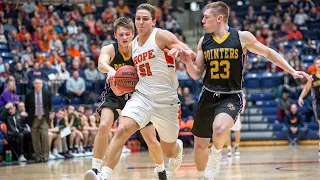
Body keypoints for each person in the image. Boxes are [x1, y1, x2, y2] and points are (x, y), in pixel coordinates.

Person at [174, 2, 311, 179]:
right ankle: (202, 176)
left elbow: (268, 53)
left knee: (220, 129)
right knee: (200, 145)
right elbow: (197, 74)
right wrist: (187, 63)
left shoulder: (241, 37)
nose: (202, 21)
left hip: (230, 96)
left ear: (219, 18)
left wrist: (291, 70)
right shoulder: (204, 41)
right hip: (208, 94)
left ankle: (216, 155)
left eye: (206, 17)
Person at [98, 4, 197, 180]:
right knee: (122, 130)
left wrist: (182, 52)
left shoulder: (161, 35)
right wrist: (116, 83)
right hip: (142, 96)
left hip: (167, 101)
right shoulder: (133, 45)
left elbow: (190, 52)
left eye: (145, 19)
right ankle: (103, 175)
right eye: (138, 19)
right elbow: (127, 76)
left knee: (169, 150)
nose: (141, 22)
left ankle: (177, 148)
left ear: (153, 21)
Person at [84, 17, 173, 180]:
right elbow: (101, 62)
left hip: (138, 96)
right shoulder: (110, 49)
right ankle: (96, 170)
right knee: (104, 126)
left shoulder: (141, 50)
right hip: (114, 94)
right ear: (115, 35)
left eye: (127, 34)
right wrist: (111, 70)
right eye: (121, 34)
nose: (124, 37)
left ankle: (160, 169)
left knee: (151, 141)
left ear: (133, 34)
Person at [25, 78, 52, 162]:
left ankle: (45, 155)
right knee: (35, 137)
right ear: (33, 85)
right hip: (34, 117)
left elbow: (49, 106)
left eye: (39, 83)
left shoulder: (46, 94)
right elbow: (27, 107)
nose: (37, 85)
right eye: (36, 83)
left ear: (42, 85)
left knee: (45, 135)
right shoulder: (29, 95)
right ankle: (38, 155)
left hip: (44, 117)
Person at [298, 57, 320, 155]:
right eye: (317, 63)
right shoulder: (312, 77)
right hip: (317, 103)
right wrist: (300, 97)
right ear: (315, 65)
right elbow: (306, 89)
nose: (319, 65)